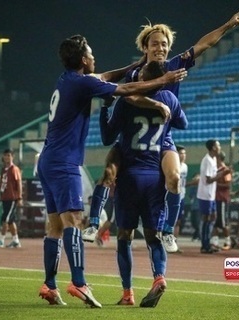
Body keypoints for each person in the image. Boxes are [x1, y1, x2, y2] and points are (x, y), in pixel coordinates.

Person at [37, 34, 187, 308]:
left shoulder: (68, 79)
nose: (95, 58)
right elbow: (125, 91)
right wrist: (162, 82)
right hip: (64, 162)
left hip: (47, 160)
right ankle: (79, 283)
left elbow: (106, 76)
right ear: (84, 60)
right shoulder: (83, 83)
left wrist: (136, 65)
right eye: (91, 54)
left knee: (55, 226)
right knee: (74, 221)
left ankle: (49, 284)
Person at [82, 8, 239, 253]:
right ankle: (95, 225)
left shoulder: (174, 64)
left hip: (161, 137)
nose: (161, 47)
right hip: (132, 137)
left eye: (165, 44)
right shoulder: (135, 72)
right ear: (145, 48)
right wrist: (156, 103)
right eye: (155, 43)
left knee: (175, 178)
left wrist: (227, 26)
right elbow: (130, 96)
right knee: (108, 173)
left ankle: (168, 231)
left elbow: (203, 45)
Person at [99, 60, 188, 307]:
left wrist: (104, 108)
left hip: (129, 175)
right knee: (153, 236)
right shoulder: (169, 98)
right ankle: (159, 277)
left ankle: (127, 294)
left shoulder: (127, 99)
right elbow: (183, 124)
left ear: (145, 77)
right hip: (154, 177)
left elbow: (107, 137)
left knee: (124, 236)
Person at [197, 140, 230, 254]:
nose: (220, 147)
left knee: (212, 217)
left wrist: (222, 173)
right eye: (218, 145)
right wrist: (223, 174)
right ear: (213, 148)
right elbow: (208, 179)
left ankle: (208, 242)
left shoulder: (214, 159)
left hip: (211, 195)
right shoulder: (207, 160)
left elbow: (214, 175)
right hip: (205, 194)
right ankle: (204, 244)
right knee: (206, 218)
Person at [0, 149, 23, 248]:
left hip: (12, 198)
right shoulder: (3, 170)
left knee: (5, 218)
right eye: (5, 155)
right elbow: (1, 184)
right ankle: (16, 240)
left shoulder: (14, 169)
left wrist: (19, 197)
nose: (7, 157)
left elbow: (19, 184)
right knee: (10, 220)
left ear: (12, 157)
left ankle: (1, 240)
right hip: (4, 197)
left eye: (9, 155)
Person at [211, 151, 233, 251]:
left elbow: (228, 185)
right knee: (215, 220)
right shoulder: (216, 170)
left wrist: (215, 184)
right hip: (215, 198)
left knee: (223, 222)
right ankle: (214, 241)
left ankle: (228, 241)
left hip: (222, 199)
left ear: (219, 159)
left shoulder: (225, 170)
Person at [170, 145, 188, 253]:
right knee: (171, 220)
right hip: (173, 196)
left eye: (184, 153)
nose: (183, 156)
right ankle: (167, 242)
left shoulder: (185, 166)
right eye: (181, 153)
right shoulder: (172, 165)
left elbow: (183, 183)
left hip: (182, 196)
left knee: (178, 221)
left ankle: (174, 244)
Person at [186, 173, 201, 241]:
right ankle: (197, 235)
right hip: (193, 206)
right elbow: (190, 195)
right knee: (193, 222)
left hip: (199, 206)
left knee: (197, 222)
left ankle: (197, 236)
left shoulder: (201, 186)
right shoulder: (193, 187)